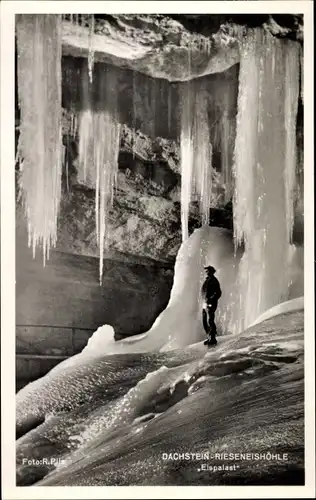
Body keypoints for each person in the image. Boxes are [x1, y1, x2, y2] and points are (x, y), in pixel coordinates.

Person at [201, 265, 222, 345]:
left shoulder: (214, 281)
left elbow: (218, 293)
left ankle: (213, 338)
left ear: (211, 271)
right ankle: (209, 336)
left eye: (208, 271)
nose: (206, 273)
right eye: (206, 271)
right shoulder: (207, 280)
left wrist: (210, 299)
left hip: (210, 303)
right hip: (205, 303)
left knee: (210, 320)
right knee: (205, 320)